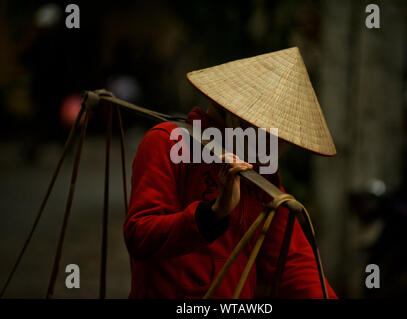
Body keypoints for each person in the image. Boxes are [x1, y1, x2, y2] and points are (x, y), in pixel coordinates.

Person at [123, 47, 338, 298]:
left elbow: (294, 263)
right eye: (267, 131)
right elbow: (139, 235)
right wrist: (213, 215)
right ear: (232, 112)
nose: (274, 144)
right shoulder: (167, 142)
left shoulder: (261, 174)